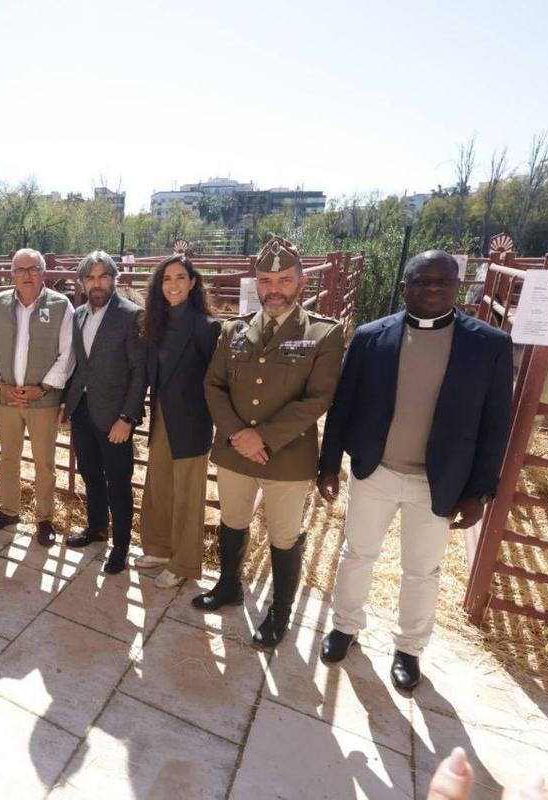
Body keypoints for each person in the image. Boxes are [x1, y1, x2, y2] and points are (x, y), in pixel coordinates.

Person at [317, 250, 513, 691]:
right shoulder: (371, 337)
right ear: (405, 287)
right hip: (376, 470)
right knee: (357, 553)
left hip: (438, 480)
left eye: (443, 281)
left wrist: (480, 491)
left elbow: (496, 423)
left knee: (422, 569)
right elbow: (343, 406)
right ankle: (345, 626)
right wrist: (329, 465)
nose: (433, 288)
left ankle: (409, 648)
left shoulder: (488, 345)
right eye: (422, 281)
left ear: (457, 286)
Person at [197, 236, 345, 648]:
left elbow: (318, 398)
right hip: (234, 452)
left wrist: (260, 436)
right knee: (232, 520)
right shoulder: (234, 330)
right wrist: (237, 434)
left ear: (301, 282)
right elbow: (213, 385)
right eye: (265, 280)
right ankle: (229, 585)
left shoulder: (323, 333)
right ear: (256, 283)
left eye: (284, 280)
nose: (274, 289)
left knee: (283, 535)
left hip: (286, 457)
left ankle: (280, 613)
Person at [0, 249, 74, 544]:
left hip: (43, 400)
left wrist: (42, 388)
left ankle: (44, 519)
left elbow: (68, 353)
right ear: (12, 275)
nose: (27, 275)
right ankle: (9, 510)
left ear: (43, 272)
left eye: (33, 269)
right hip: (6, 398)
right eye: (20, 270)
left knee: (44, 463)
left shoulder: (60, 305)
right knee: (8, 458)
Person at [137, 256, 221, 589]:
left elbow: (216, 381)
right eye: (167, 278)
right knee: (158, 484)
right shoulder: (154, 323)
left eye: (180, 277)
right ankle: (159, 549)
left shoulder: (206, 327)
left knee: (187, 494)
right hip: (161, 417)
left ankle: (184, 562)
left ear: (193, 283)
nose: (173, 284)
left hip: (192, 421)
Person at [62, 251, 146, 574]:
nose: (96, 284)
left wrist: (127, 418)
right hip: (82, 410)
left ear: (114, 279)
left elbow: (139, 373)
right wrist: (67, 405)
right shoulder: (78, 314)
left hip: (115, 416)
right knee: (90, 472)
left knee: (119, 481)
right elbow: (79, 366)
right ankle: (97, 527)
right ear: (82, 283)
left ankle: (121, 546)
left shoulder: (131, 316)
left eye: (103, 277)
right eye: (90, 278)